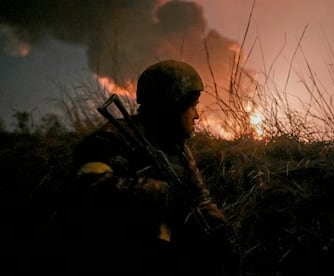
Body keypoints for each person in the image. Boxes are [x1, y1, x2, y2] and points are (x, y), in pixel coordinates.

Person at [53, 60, 241, 275]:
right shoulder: (112, 139)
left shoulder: (177, 149)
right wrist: (163, 193)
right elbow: (88, 189)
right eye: (192, 106)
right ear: (171, 105)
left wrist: (219, 227)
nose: (196, 115)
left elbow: (199, 197)